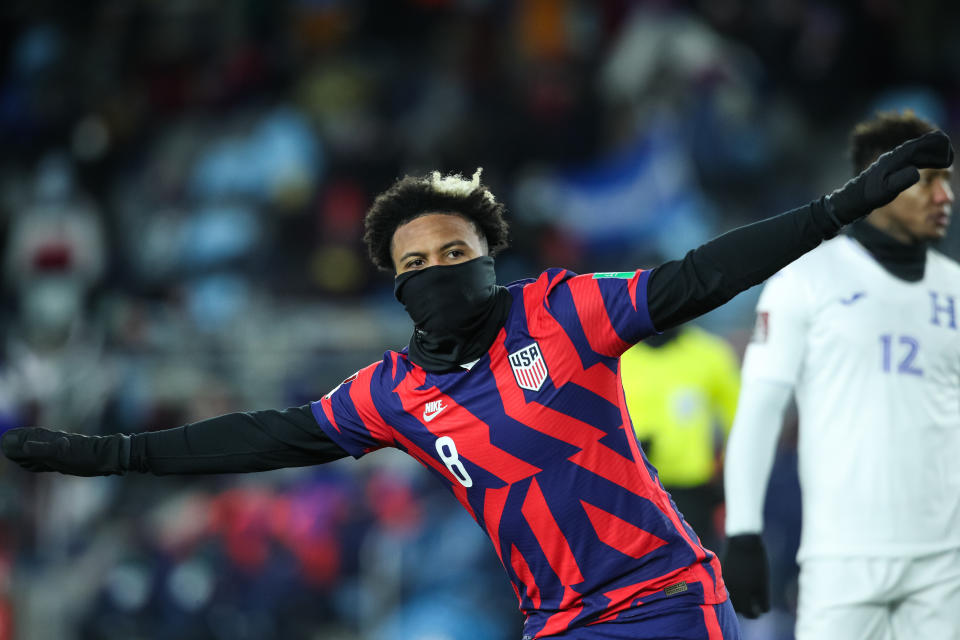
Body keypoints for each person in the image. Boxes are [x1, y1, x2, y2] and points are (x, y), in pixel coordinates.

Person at [3, 129, 953, 640]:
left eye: (461, 249)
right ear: (397, 283)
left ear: (490, 258)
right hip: (556, 626)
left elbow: (703, 274)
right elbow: (264, 435)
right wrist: (109, 455)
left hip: (664, 601)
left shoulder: (564, 313)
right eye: (422, 258)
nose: (443, 265)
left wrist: (841, 207)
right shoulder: (391, 394)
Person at [721, 111, 960, 639]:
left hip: (945, 562)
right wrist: (743, 531)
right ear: (886, 183)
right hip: (841, 560)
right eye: (929, 182)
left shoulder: (956, 288)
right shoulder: (806, 280)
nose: (946, 197)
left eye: (948, 181)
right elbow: (760, 410)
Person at [620, 325, 740, 553]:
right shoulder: (614, 356)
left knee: (693, 578)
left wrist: (727, 478)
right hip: (627, 493)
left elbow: (740, 419)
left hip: (691, 495)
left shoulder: (710, 354)